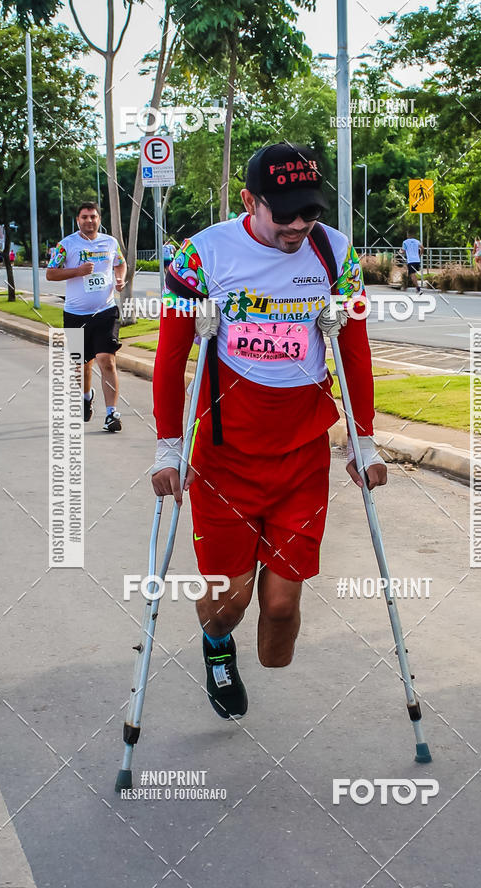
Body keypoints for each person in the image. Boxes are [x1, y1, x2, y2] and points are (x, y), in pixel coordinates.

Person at [151, 142, 387, 720]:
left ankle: (254, 636)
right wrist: (167, 446)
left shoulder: (332, 253)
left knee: (280, 612)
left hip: (301, 451)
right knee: (230, 601)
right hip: (225, 452)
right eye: (285, 215)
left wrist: (364, 438)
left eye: (309, 211)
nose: (300, 226)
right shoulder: (201, 256)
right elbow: (170, 356)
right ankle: (215, 644)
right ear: (249, 201)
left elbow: (354, 353)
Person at [46, 201, 127, 431]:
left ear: (99, 219)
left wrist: (120, 278)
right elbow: (51, 274)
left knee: (106, 360)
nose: (89, 221)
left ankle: (112, 414)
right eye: (84, 217)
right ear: (78, 220)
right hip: (75, 315)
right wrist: (77, 271)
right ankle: (86, 396)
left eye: (93, 216)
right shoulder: (66, 245)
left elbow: (120, 264)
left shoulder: (110, 243)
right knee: (81, 365)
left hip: (105, 311)